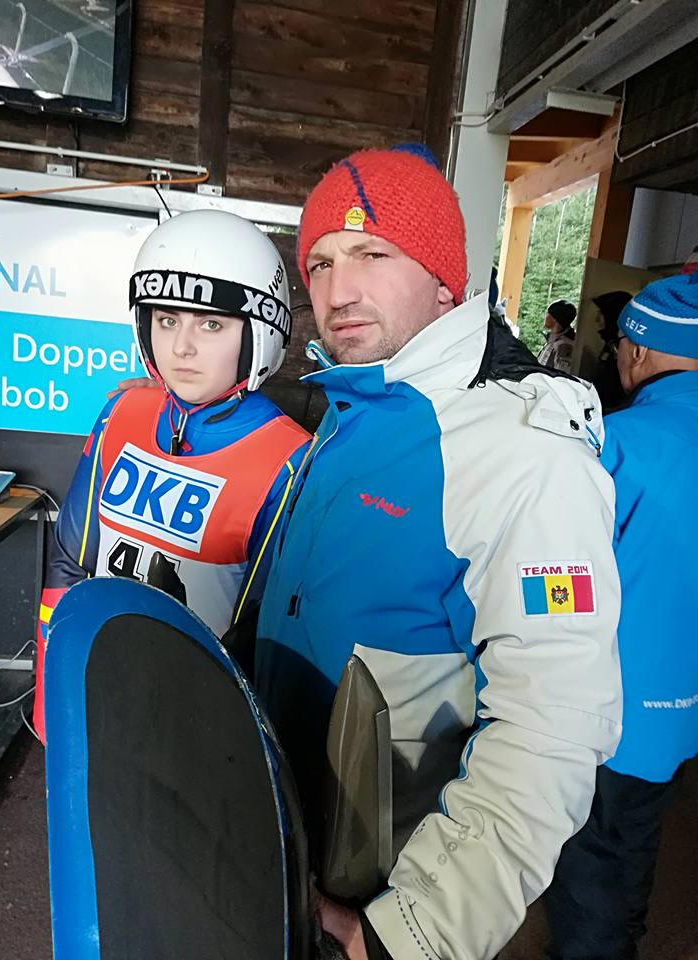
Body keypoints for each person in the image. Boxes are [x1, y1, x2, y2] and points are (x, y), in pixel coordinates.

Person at [253, 144, 622, 960]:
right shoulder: (352, 407)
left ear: (447, 281)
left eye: (372, 254)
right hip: (298, 851)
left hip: (381, 901)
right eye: (320, 263)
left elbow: (552, 732)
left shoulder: (525, 454)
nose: (337, 291)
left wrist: (412, 935)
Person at [33, 210, 310, 743]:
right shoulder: (122, 413)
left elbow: (261, 638)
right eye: (166, 320)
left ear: (259, 334)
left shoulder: (290, 461)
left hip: (196, 726)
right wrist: (53, 696)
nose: (182, 347)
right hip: (96, 689)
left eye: (211, 324)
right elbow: (69, 559)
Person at [544, 273, 698, 960]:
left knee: (590, 872)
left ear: (636, 351)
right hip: (682, 713)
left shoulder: (615, 442)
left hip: (609, 712)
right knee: (634, 842)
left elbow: (557, 578)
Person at [591, 290, 632, 411]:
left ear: (612, 315)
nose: (597, 319)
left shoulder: (624, 348)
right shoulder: (610, 344)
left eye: (601, 314)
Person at [538, 298, 576, 372]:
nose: (545, 317)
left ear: (555, 318)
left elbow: (560, 373)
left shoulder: (564, 345)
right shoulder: (552, 338)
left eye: (547, 314)